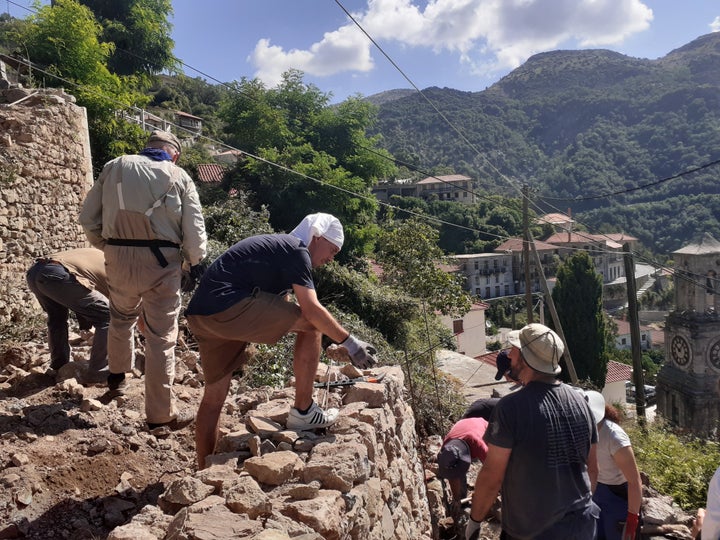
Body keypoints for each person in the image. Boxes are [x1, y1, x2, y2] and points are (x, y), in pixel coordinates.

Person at [185, 213, 377, 469]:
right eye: (332, 250)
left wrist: (331, 343)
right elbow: (310, 310)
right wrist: (351, 344)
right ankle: (304, 411)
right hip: (229, 306)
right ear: (317, 238)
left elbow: (282, 309)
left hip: (202, 315)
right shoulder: (296, 250)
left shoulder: (279, 252)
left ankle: (203, 471)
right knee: (312, 325)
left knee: (213, 399)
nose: (331, 259)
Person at [79, 130, 207, 431]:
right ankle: (160, 415)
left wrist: (106, 245)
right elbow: (194, 227)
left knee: (121, 317)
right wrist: (195, 261)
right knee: (161, 337)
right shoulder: (179, 175)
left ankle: (118, 377)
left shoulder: (115, 166)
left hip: (118, 257)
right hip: (162, 264)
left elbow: (87, 217)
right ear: (172, 153)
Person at [465, 323, 600, 540]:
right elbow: (592, 469)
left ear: (525, 359)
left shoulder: (510, 408)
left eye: (514, 350)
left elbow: (492, 476)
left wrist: (474, 521)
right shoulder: (581, 401)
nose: (509, 355)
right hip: (583, 525)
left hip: (533, 531)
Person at [26, 247, 110, 383]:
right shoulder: (114, 268)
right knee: (108, 317)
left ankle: (58, 365)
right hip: (57, 274)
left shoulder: (96, 254)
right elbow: (118, 304)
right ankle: (100, 372)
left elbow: (84, 292)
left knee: (56, 319)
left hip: (35, 271)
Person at [584, 390, 643, 540]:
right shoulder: (583, 431)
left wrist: (632, 517)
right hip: (598, 491)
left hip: (618, 495)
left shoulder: (614, 437)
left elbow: (634, 481)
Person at [437, 416, 489, 503]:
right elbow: (452, 475)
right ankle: (462, 498)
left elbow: (492, 468)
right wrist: (457, 500)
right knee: (458, 475)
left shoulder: (477, 444)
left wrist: (484, 491)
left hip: (482, 426)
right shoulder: (447, 449)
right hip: (463, 426)